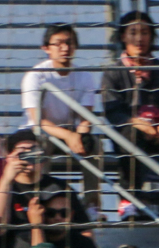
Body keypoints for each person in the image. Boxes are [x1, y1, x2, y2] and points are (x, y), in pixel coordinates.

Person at [20, 24, 102, 211]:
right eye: (58, 44)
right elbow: (38, 119)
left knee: (94, 145)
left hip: (69, 132)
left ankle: (92, 206)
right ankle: (41, 204)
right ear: (46, 48)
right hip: (38, 132)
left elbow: (85, 116)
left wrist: (81, 135)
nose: (65, 48)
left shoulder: (85, 76)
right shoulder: (35, 76)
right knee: (40, 145)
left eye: (69, 43)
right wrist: (69, 136)